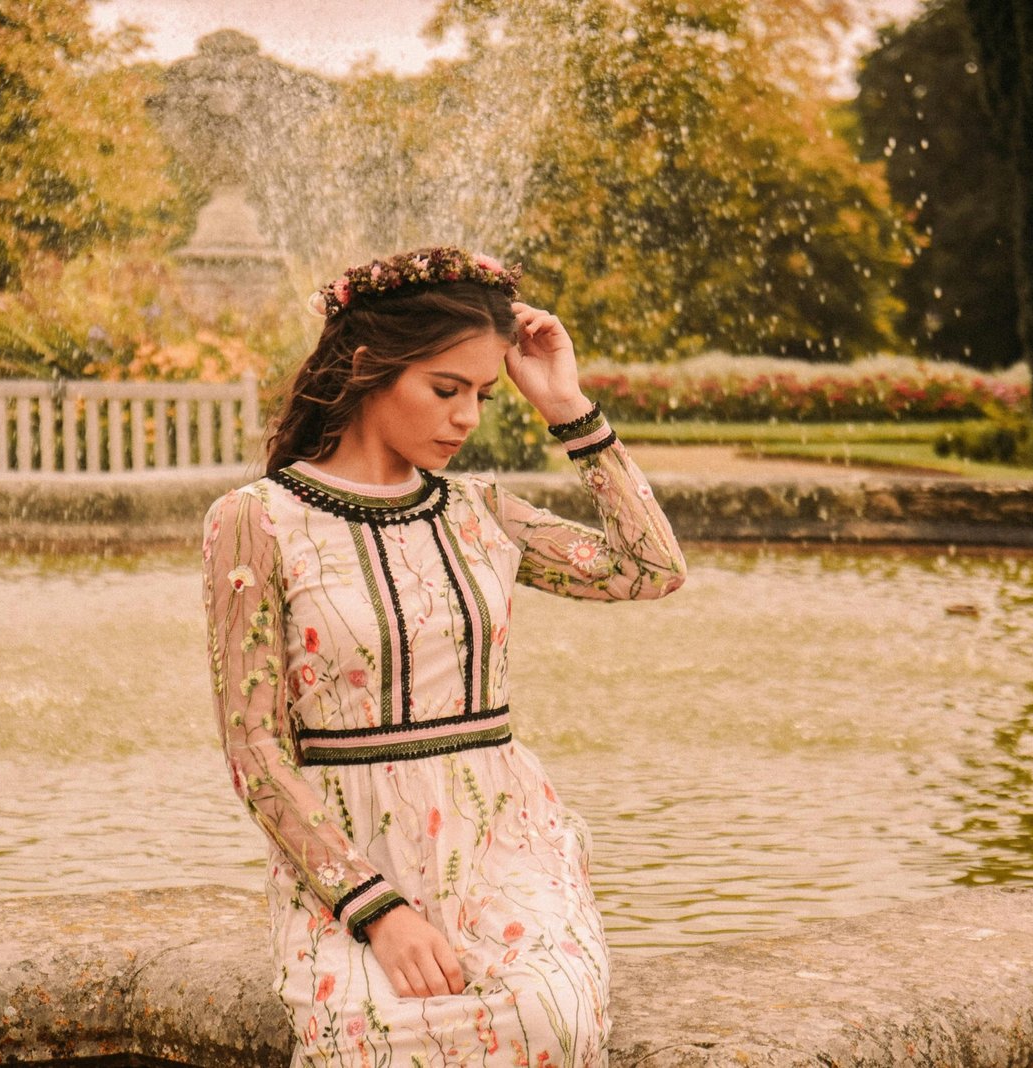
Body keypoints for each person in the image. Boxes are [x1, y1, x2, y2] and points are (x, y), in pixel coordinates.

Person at [201, 246, 686, 1066]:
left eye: (484, 396)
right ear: (367, 368)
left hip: (504, 844)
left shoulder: (482, 512)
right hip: (349, 868)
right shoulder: (257, 520)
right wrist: (376, 911)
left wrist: (567, 407)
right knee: (377, 1037)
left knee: (548, 1020)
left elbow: (650, 571)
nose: (468, 418)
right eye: (445, 389)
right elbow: (254, 752)